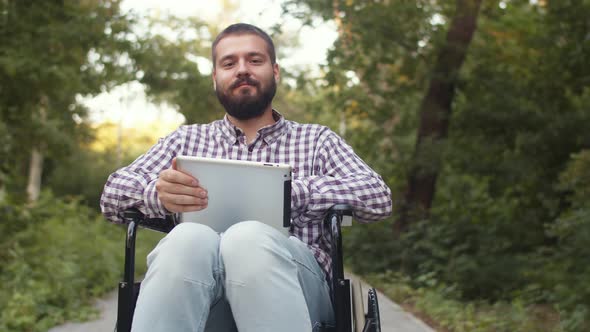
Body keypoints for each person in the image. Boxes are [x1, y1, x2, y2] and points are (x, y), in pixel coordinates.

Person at [100, 23, 392, 332]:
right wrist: (157, 195)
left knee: (248, 237)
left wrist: (291, 192)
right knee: (187, 238)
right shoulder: (184, 141)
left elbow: (377, 196)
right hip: (199, 287)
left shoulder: (317, 140)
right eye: (229, 63)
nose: (242, 69)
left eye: (254, 60)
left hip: (298, 288)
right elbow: (112, 194)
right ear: (216, 78)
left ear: (274, 71)